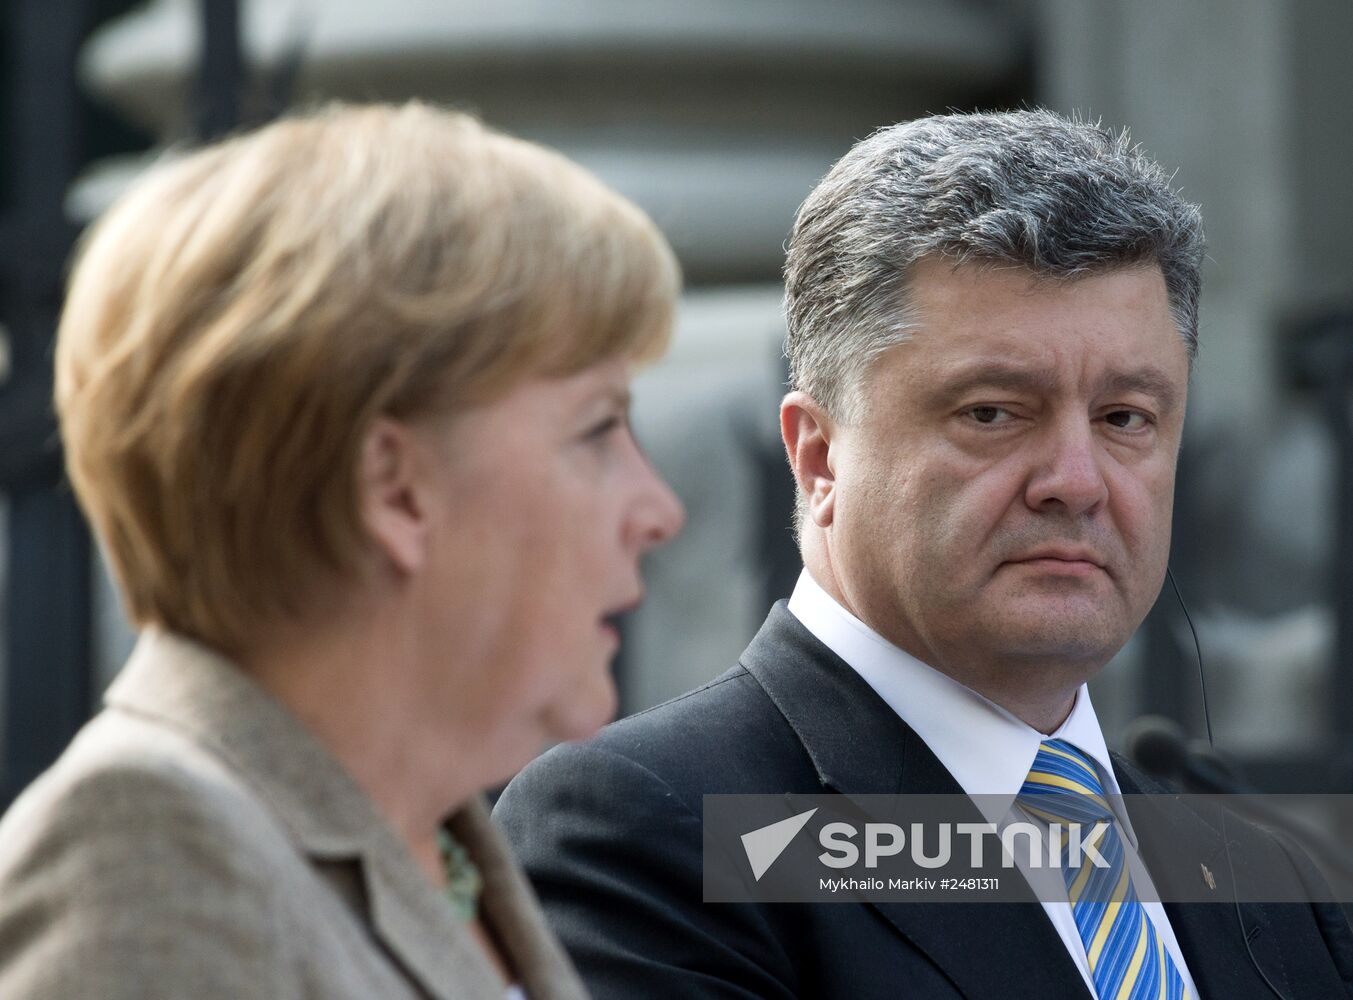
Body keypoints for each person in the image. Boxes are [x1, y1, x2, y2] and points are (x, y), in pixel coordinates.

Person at [495, 109, 1353, 998]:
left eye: (1123, 418)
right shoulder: (655, 829)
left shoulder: (1272, 885)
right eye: (991, 412)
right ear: (818, 457)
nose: (1076, 480)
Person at [0, 101, 684, 999]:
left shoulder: (443, 844)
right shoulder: (147, 842)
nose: (658, 510)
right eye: (597, 427)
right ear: (394, 489)